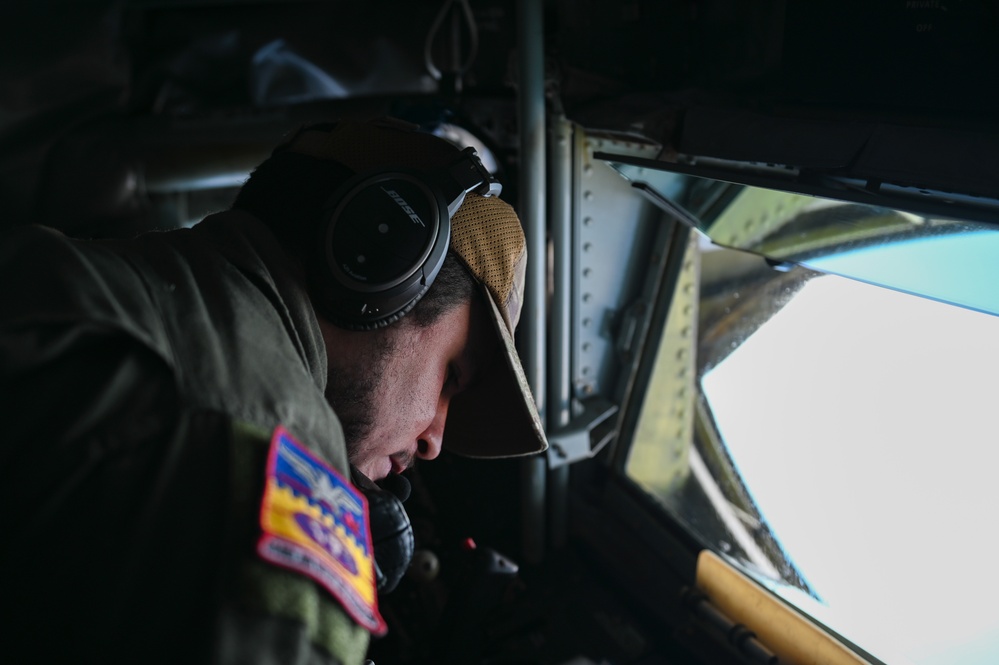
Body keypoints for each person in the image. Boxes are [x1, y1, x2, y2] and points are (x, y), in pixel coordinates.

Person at [0, 117, 547, 665]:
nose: (434, 439)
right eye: (451, 378)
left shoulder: (65, 264)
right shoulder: (265, 452)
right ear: (385, 266)